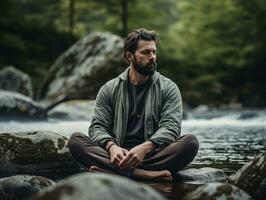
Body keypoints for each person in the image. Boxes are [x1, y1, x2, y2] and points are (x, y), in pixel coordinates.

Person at [68, 28, 199, 181]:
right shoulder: (109, 89)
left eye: (154, 52)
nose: (152, 57)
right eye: (146, 53)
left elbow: (171, 127)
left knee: (190, 143)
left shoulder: (169, 88)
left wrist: (146, 147)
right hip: (118, 156)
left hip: (152, 154)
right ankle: (142, 174)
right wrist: (112, 147)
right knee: (75, 140)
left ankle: (114, 172)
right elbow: (98, 126)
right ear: (129, 56)